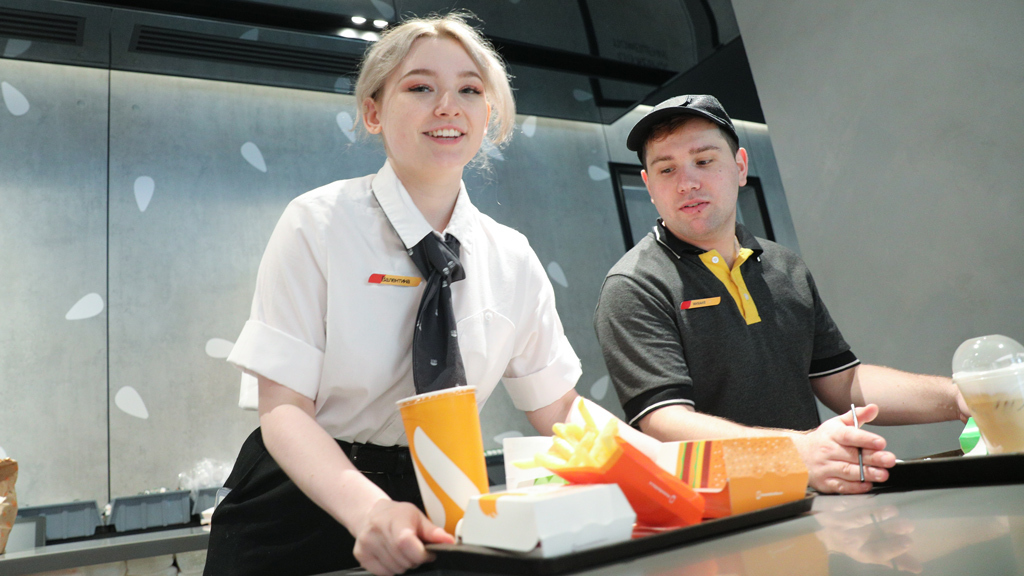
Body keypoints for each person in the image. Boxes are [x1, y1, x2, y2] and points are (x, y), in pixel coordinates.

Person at [205, 14, 581, 576]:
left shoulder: (512, 257)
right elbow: (283, 409)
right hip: (299, 501)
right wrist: (372, 511)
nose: (448, 106)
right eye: (420, 87)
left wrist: (665, 470)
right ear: (373, 112)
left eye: (469, 90)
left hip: (435, 502)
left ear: (488, 115)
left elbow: (560, 409)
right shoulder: (317, 222)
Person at [593, 94, 969, 495]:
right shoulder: (634, 285)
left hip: (815, 501)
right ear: (649, 186)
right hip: (716, 514)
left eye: (703, 161)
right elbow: (665, 423)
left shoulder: (784, 266)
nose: (687, 183)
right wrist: (796, 453)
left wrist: (959, 397)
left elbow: (842, 381)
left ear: (740, 167)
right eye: (666, 169)